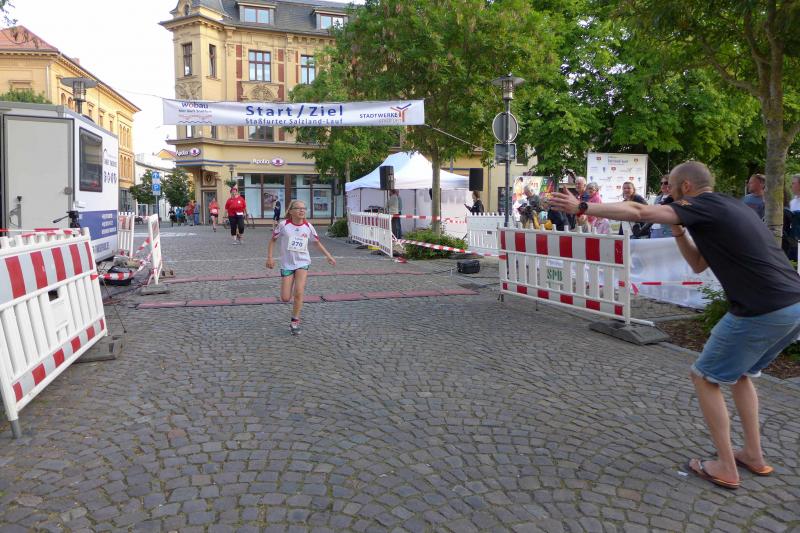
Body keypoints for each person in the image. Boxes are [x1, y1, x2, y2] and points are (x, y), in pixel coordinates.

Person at [549, 160, 800, 490]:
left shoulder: (701, 206)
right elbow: (697, 263)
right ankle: (753, 454)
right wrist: (680, 229)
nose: (667, 194)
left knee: (704, 377)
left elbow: (639, 212)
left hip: (761, 307)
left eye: (670, 188)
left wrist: (582, 206)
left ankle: (726, 466)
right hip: (792, 304)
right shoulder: (730, 207)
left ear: (686, 188)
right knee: (740, 374)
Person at [266, 200, 336, 335]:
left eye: (304, 208)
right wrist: (270, 257)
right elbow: (273, 240)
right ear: (291, 211)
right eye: (298, 208)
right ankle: (291, 300)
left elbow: (316, 243)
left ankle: (295, 321)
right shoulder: (283, 225)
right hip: (287, 264)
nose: (302, 210)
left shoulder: (308, 226)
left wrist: (328, 256)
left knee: (299, 292)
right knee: (285, 298)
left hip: (302, 263)